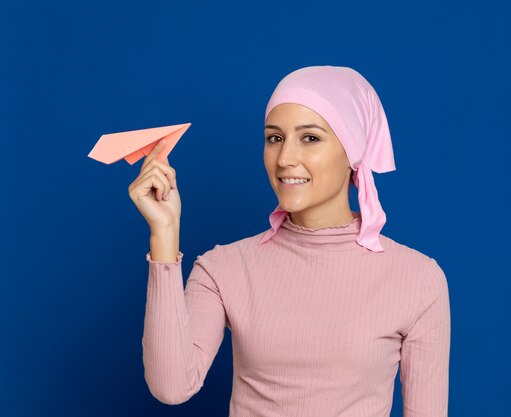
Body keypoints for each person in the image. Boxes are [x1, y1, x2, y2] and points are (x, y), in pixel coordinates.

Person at [128, 65, 451, 416]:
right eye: (274, 138)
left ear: (352, 151)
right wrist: (164, 232)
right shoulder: (223, 268)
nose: (285, 159)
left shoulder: (417, 279)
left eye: (310, 138)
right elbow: (171, 387)